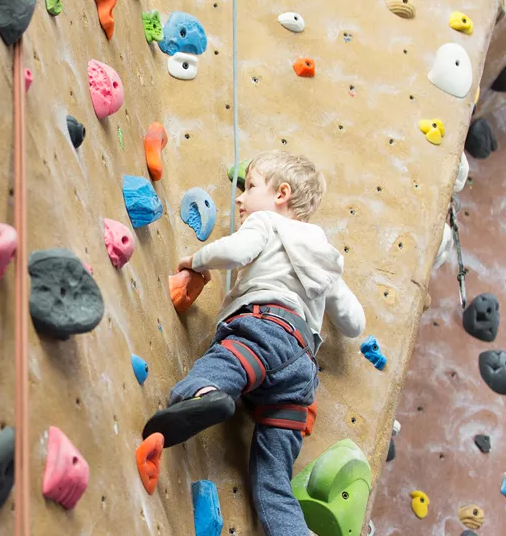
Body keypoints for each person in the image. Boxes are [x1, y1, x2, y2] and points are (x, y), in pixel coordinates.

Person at [142, 150, 366, 536]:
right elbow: (354, 322)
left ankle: (204, 394)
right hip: (301, 370)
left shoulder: (267, 222)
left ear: (281, 194)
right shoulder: (325, 256)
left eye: (250, 187)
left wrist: (195, 260)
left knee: (227, 364)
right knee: (273, 476)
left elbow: (235, 251)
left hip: (266, 330)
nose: (241, 199)